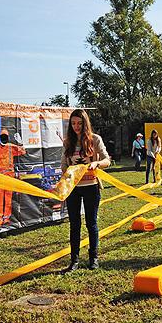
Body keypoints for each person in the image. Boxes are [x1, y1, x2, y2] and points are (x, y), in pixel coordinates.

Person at [61, 109, 110, 273]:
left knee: (91, 223)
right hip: (73, 188)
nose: (76, 127)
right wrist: (66, 173)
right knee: (74, 225)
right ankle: (74, 261)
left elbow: (106, 160)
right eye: (73, 123)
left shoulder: (95, 139)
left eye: (79, 123)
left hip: (91, 187)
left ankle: (93, 258)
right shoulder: (68, 142)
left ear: (85, 123)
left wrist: (97, 164)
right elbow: (63, 163)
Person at [0, 129, 26, 226]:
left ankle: (6, 217)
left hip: (8, 175)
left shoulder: (11, 147)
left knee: (7, 197)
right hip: (0, 175)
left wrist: (20, 143)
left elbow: (23, 151)